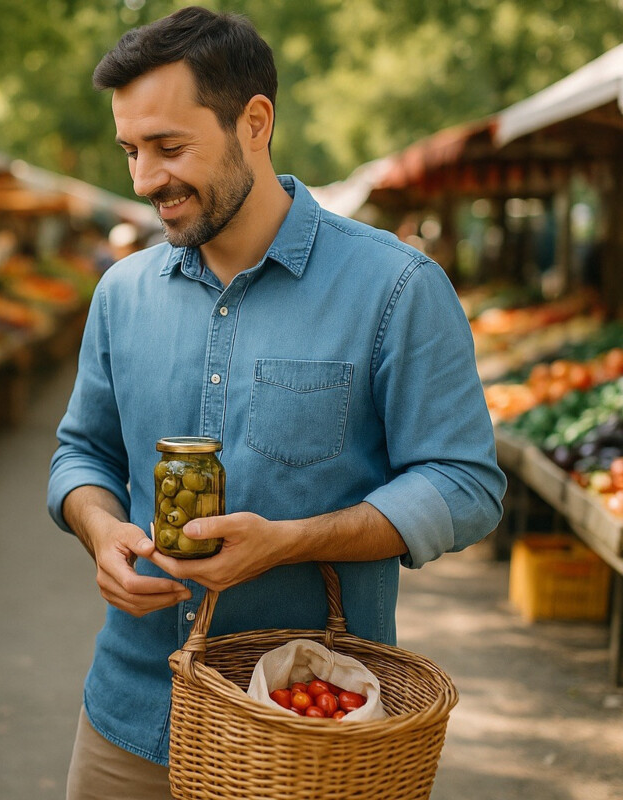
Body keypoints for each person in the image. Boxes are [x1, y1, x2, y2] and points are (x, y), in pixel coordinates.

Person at [46, 8, 506, 799]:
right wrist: (99, 530)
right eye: (131, 150)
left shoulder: (396, 288)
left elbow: (465, 484)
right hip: (128, 719)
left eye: (169, 146)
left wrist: (288, 541)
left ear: (254, 122)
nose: (144, 179)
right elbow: (81, 454)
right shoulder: (121, 294)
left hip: (312, 730)